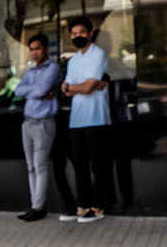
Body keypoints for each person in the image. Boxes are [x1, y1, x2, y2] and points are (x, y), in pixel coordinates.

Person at [59, 16, 112, 224]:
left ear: (90, 34)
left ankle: (98, 207)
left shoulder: (98, 55)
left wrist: (77, 87)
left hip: (97, 118)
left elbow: (88, 87)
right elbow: (67, 90)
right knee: (79, 164)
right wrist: (80, 87)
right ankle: (82, 206)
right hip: (77, 119)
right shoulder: (74, 60)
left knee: (98, 165)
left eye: (81, 33)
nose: (77, 36)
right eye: (73, 34)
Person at [13, 34, 60, 222]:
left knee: (40, 166)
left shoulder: (53, 68)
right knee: (31, 166)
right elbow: (18, 91)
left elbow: (40, 91)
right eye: (31, 49)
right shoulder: (31, 72)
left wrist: (33, 91)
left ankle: (38, 207)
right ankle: (35, 204)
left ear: (46, 48)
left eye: (37, 48)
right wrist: (36, 91)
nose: (34, 52)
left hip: (43, 122)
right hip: (27, 122)